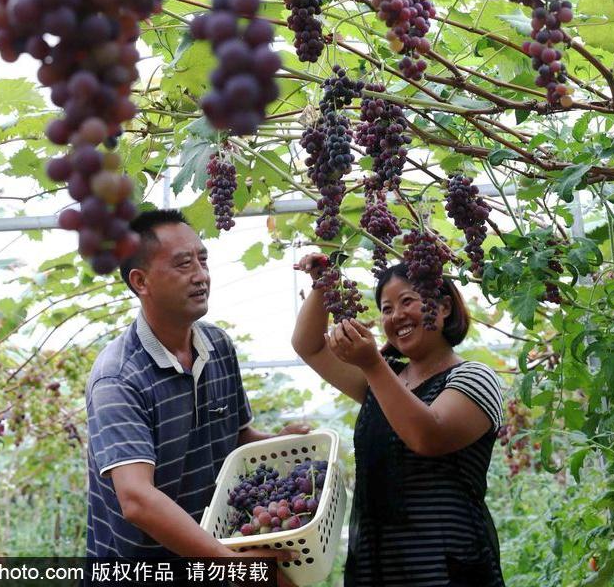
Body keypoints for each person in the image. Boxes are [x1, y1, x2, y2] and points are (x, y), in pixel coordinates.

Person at [86, 208, 308, 564]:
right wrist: (226, 559)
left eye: (203, 260)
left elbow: (234, 437)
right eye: (183, 264)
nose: (201, 276)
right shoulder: (118, 378)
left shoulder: (217, 346)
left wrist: (281, 441)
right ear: (141, 282)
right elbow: (137, 499)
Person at [292, 258, 506, 587]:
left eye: (407, 301)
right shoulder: (383, 378)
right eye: (387, 308)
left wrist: (372, 364)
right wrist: (324, 282)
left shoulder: (475, 377)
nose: (396, 316)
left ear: (444, 306)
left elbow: (428, 435)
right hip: (375, 568)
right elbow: (309, 345)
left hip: (446, 570)